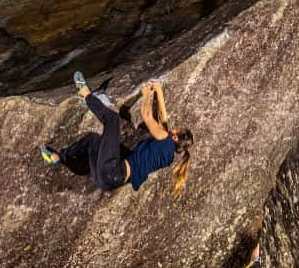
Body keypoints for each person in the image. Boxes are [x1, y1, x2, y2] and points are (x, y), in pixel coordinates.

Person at [39, 73, 194, 196]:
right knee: (92, 140)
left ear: (175, 137)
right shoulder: (168, 156)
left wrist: (146, 94)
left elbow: (147, 115)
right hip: (107, 182)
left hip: (111, 170)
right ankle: (56, 158)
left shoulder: (165, 139)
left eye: (176, 130)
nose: (172, 129)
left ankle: (85, 93)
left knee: (113, 119)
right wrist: (159, 91)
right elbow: (163, 118)